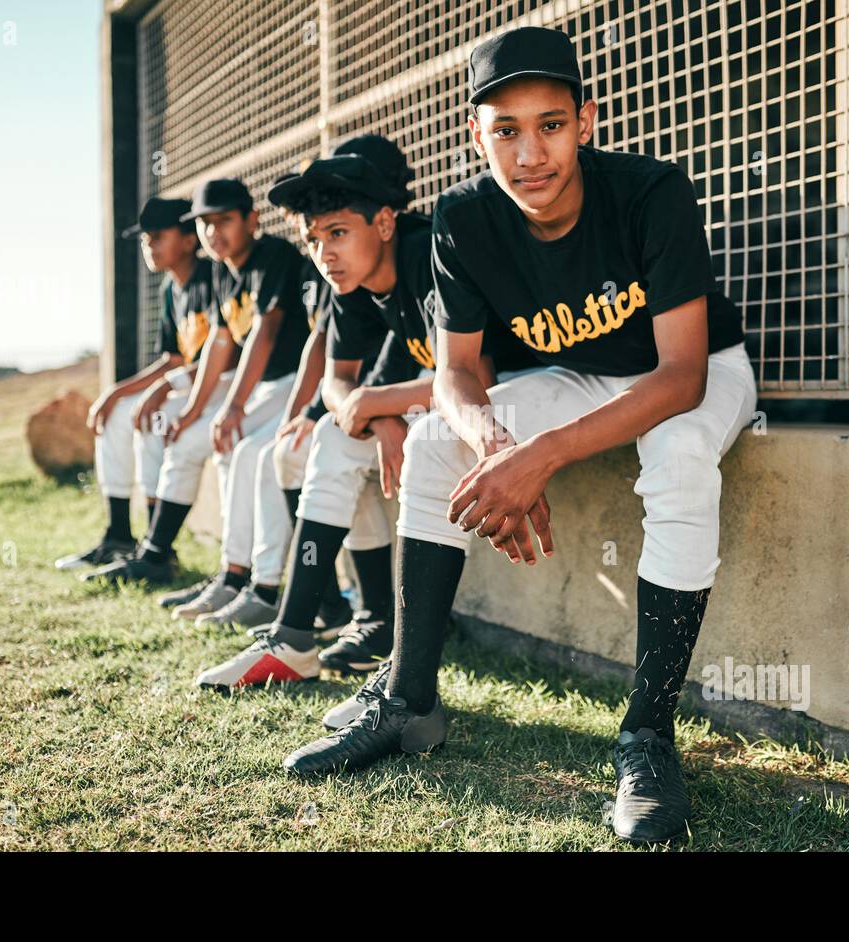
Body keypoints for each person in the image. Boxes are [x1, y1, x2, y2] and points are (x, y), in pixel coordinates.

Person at [281, 27, 756, 847]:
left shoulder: (651, 192)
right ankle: (409, 700)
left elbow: (680, 379)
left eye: (550, 125)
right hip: (580, 374)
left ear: (587, 121)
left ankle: (646, 736)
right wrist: (497, 447)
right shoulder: (464, 220)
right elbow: (455, 375)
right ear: (478, 135)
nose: (529, 153)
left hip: (699, 367)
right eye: (506, 129)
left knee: (678, 459)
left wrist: (540, 455)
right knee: (435, 441)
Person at [194, 151, 533, 690]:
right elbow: (337, 381)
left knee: (339, 434)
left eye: (337, 233)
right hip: (448, 407)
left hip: (518, 400)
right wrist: (377, 418)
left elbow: (477, 376)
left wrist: (374, 406)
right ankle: (300, 635)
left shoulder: (427, 251)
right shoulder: (349, 282)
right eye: (313, 240)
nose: (324, 253)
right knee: (330, 438)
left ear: (383, 222)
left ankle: (347, 626)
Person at [86, 178, 308, 586]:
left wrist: (231, 406)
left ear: (252, 220)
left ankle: (255, 579)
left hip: (290, 383)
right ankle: (176, 557)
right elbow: (218, 344)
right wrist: (191, 412)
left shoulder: (271, 254)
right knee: (185, 438)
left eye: (223, 220)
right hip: (258, 388)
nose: (213, 232)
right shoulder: (223, 271)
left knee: (242, 453)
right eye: (206, 223)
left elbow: (265, 331)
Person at [56, 197, 212, 571]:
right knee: (117, 414)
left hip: (211, 388)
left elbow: (222, 355)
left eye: (158, 236)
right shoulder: (170, 290)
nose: (149, 245)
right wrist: (115, 392)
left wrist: (157, 390)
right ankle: (119, 536)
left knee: (151, 418)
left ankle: (159, 549)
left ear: (190, 239)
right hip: (183, 384)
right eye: (145, 239)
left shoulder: (211, 278)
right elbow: (172, 359)